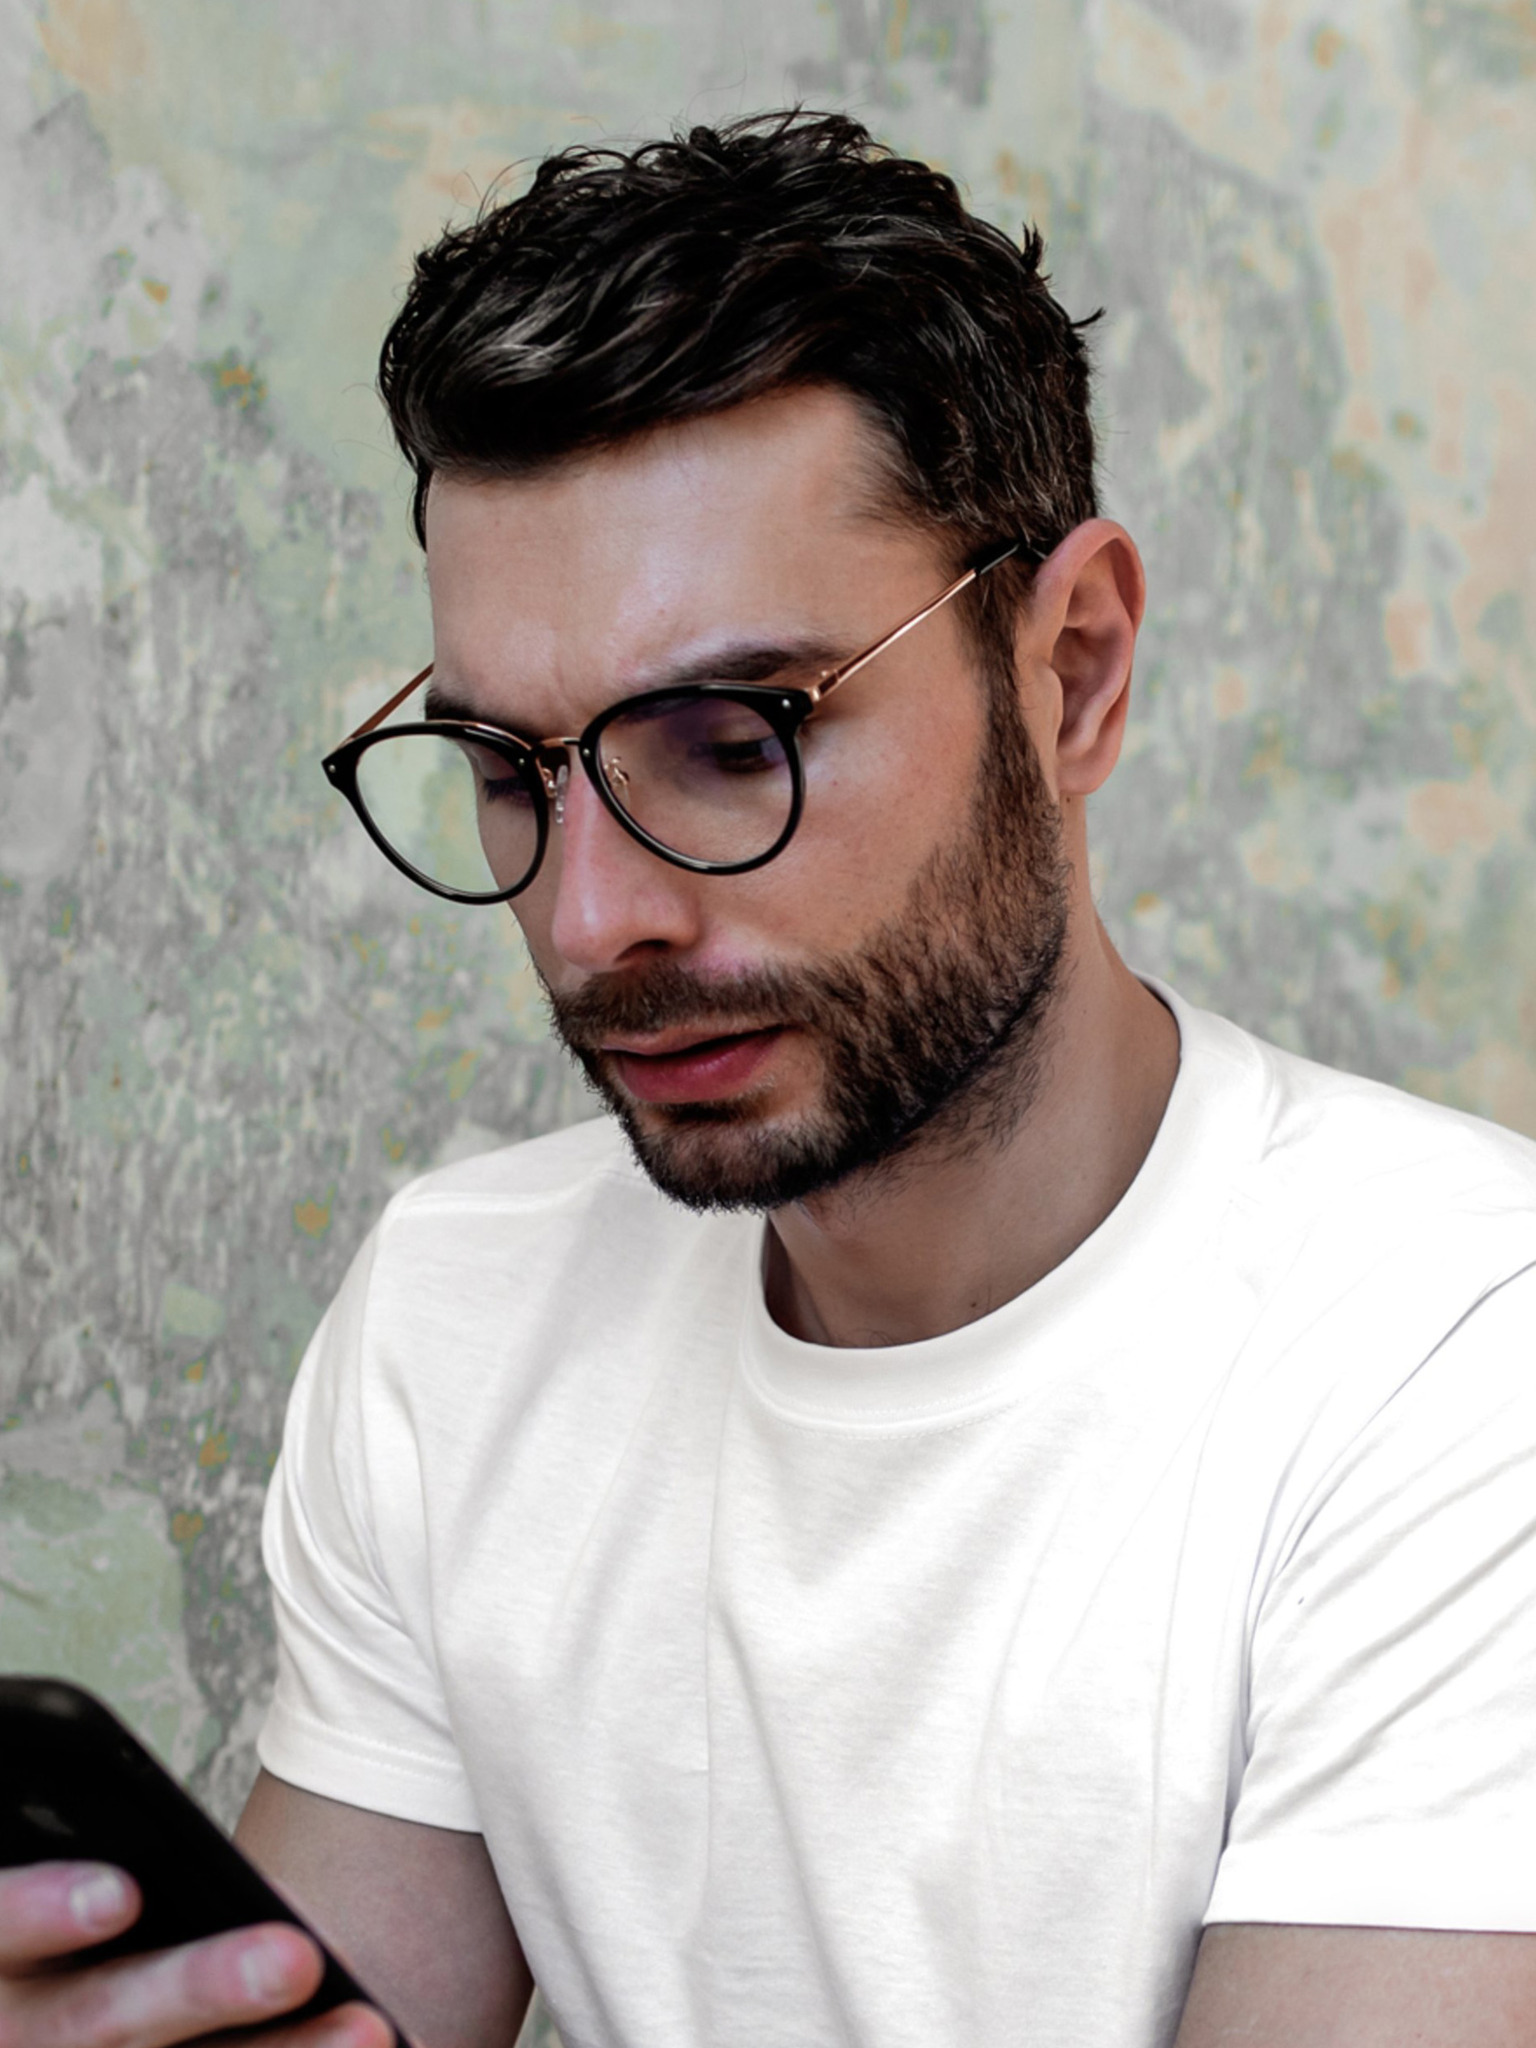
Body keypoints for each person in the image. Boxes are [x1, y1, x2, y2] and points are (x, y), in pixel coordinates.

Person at [5, 109, 1536, 2048]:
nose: (592, 920)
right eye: (508, 771)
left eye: (732, 741)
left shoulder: (1458, 1358)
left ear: (1071, 669)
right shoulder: (459, 1320)